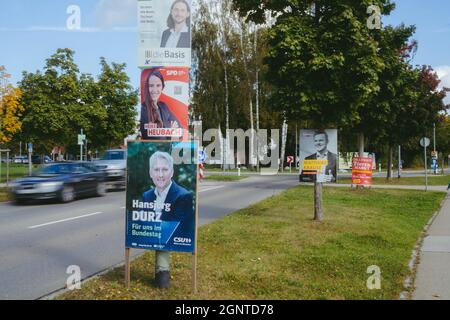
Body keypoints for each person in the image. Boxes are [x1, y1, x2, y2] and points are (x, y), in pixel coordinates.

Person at [142, 151, 194, 288]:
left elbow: (178, 228)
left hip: (172, 241)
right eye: (156, 169)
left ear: (172, 172)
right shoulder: (146, 196)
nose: (160, 175)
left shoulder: (183, 196)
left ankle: (162, 273)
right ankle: (160, 274)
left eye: (164, 169)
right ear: (150, 173)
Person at [140, 70, 180, 140]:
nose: (155, 89)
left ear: (162, 87)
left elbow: (180, 128)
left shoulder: (163, 106)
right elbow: (149, 135)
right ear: (147, 87)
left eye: (158, 85)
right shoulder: (144, 108)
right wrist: (171, 130)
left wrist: (160, 129)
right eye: (151, 85)